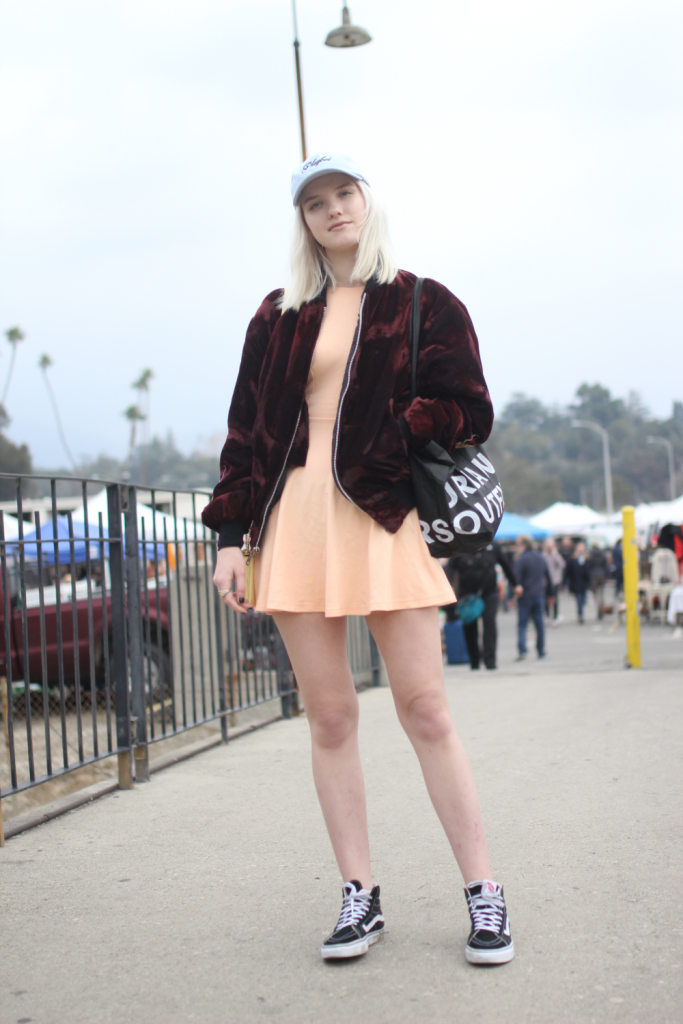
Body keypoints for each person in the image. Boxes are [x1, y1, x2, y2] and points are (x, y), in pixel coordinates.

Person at [202, 154, 514, 966]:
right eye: (314, 202)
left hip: (383, 516)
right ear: (301, 222)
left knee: (426, 710)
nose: (331, 210)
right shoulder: (276, 316)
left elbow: (470, 410)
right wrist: (229, 539)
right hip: (295, 523)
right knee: (331, 718)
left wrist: (404, 423)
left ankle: (483, 892)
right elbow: (246, 435)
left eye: (343, 193)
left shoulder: (423, 301)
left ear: (366, 202)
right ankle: (358, 895)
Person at [446, 543, 517, 669]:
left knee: (489, 623)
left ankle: (490, 660)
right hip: (468, 595)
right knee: (469, 626)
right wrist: (448, 584)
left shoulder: (493, 547)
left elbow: (506, 565)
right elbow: (450, 568)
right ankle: (474, 660)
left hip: (489, 593)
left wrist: (516, 584)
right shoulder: (460, 546)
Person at [513, 536, 550, 660]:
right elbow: (548, 577)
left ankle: (522, 650)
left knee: (522, 625)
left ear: (523, 545)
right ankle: (541, 650)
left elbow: (515, 579)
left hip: (525, 596)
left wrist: (510, 596)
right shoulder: (540, 557)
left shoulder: (522, 559)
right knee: (539, 625)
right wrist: (551, 594)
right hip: (539, 594)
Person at [565, 541, 591, 623]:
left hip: (584, 583)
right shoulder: (572, 559)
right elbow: (567, 571)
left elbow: (589, 571)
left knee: (583, 600)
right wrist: (566, 583)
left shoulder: (587, 559)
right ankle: (580, 615)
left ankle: (581, 612)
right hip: (576, 583)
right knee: (579, 600)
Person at [542, 538, 565, 624]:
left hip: (555, 580)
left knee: (555, 599)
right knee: (546, 599)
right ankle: (547, 616)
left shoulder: (556, 555)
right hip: (545, 581)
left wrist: (555, 554)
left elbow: (562, 564)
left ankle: (555, 617)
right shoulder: (543, 555)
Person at [588, 542, 609, 619]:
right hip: (602, 575)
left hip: (594, 577)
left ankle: (599, 607)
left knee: (596, 594)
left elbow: (589, 566)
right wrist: (607, 576)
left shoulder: (590, 555)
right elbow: (606, 566)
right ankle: (601, 607)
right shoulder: (602, 554)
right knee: (601, 593)